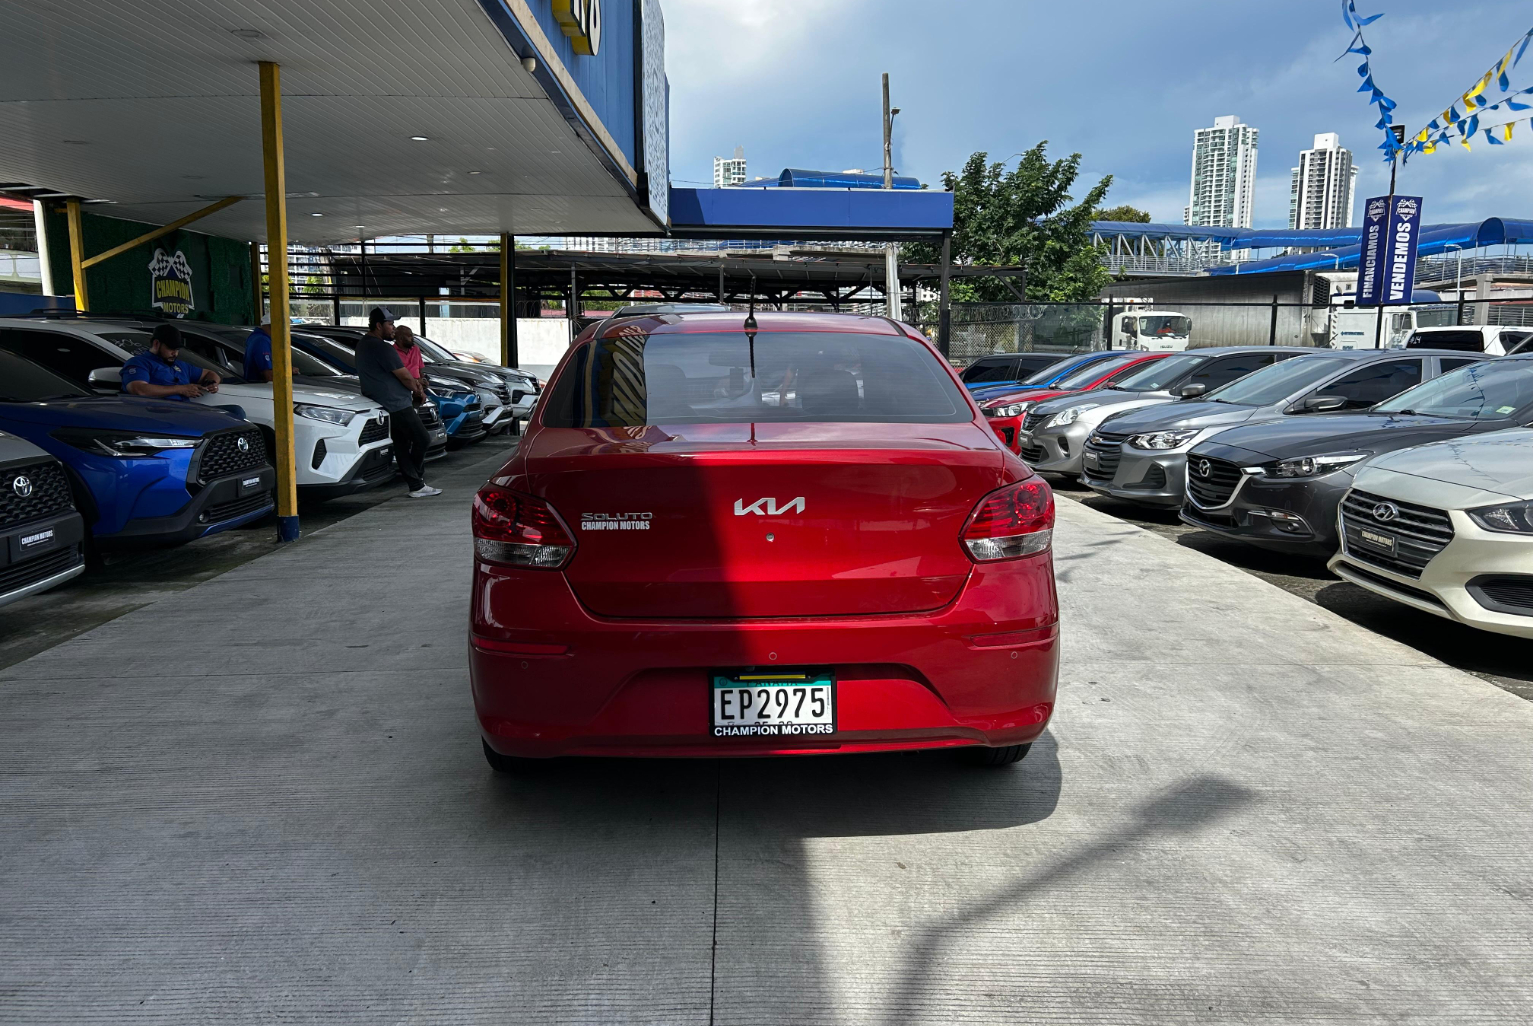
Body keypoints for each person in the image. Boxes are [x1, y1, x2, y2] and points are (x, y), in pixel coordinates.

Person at [355, 307, 440, 498]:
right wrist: (418, 390)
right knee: (422, 439)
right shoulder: (381, 347)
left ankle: (416, 486)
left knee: (401, 444)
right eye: (390, 324)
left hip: (384, 402)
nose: (393, 328)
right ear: (378, 325)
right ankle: (417, 479)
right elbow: (405, 376)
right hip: (395, 403)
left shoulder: (364, 344)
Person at [122, 324, 221, 400]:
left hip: (185, 412)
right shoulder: (139, 363)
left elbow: (210, 373)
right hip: (157, 415)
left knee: (233, 410)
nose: (175, 353)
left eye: (177, 349)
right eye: (171, 348)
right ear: (156, 344)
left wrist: (213, 383)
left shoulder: (180, 365)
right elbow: (139, 390)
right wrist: (181, 389)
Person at [392, 323, 427, 392]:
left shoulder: (416, 349)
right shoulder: (392, 351)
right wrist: (416, 381)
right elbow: (397, 376)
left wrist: (423, 381)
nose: (413, 338)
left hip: (418, 387)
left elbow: (420, 369)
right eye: (410, 336)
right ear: (401, 338)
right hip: (402, 387)